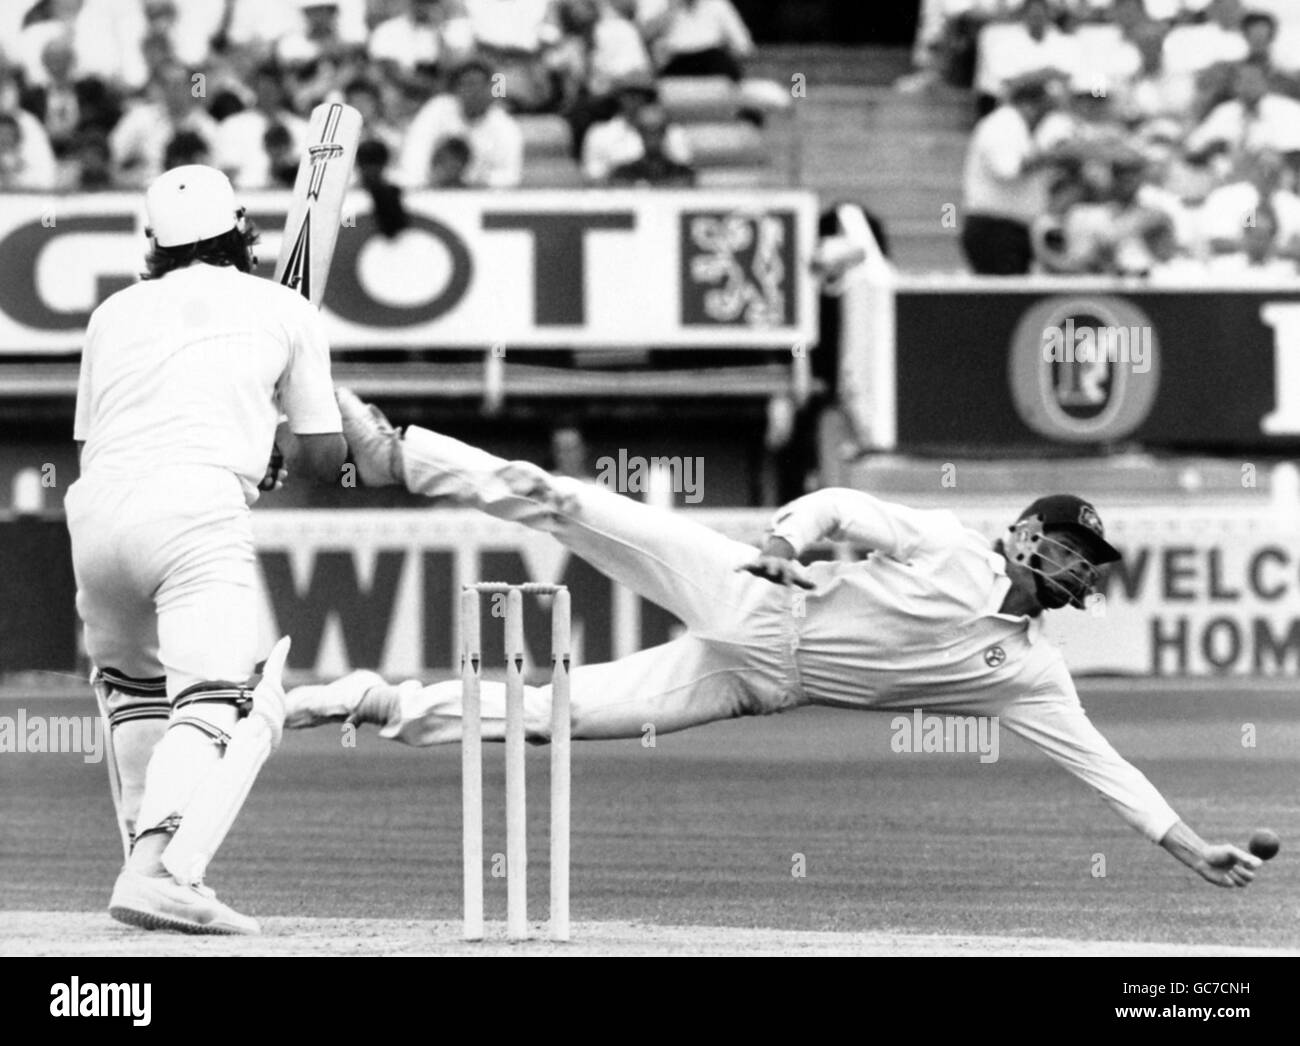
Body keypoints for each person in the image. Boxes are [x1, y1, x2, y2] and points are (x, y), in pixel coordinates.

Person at [286, 392, 1265, 891]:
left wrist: (1188, 845)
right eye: (1074, 547)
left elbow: (1102, 766)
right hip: (757, 600)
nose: (1085, 569)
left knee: (556, 715)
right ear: (1025, 533)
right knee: (581, 506)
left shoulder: (1028, 672)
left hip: (751, 683)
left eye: (1091, 560)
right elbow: (839, 499)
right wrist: (784, 539)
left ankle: (378, 702)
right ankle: (397, 453)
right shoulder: (946, 543)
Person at [66, 164, 347, 934]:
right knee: (218, 696)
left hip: (96, 511)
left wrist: (255, 443)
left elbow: (102, 440)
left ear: (153, 242)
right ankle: (160, 870)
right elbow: (324, 458)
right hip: (193, 509)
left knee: (133, 688)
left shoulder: (112, 314)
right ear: (242, 232)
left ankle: (143, 859)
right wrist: (289, 428)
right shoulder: (283, 309)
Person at [960, 68, 1066, 275]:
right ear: (1031, 103)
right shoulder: (1003, 124)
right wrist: (1057, 154)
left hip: (1014, 229)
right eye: (1046, 106)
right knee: (1003, 303)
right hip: (994, 229)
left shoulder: (1020, 128)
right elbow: (1008, 170)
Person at [398, 57, 524, 188]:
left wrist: (472, 182)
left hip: (480, 196)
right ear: (456, 89)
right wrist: (431, 181)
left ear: (492, 90)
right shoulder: (437, 110)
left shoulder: (505, 127)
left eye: (480, 85)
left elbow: (511, 175)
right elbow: (413, 156)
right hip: (431, 190)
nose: (474, 92)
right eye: (468, 84)